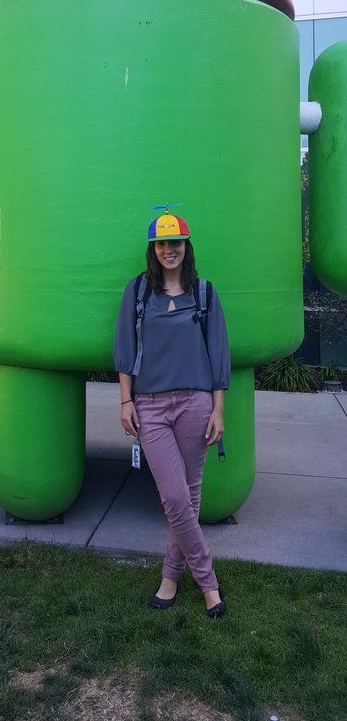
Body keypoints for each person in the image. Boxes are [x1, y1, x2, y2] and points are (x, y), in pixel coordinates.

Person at [114, 207, 230, 618]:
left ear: (186, 247)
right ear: (153, 249)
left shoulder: (205, 294)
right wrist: (126, 400)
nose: (169, 250)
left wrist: (218, 409)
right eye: (162, 243)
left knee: (190, 495)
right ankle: (208, 583)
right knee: (175, 495)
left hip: (196, 404)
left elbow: (218, 354)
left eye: (175, 243)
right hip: (150, 406)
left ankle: (169, 579)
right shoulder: (138, 292)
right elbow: (125, 350)